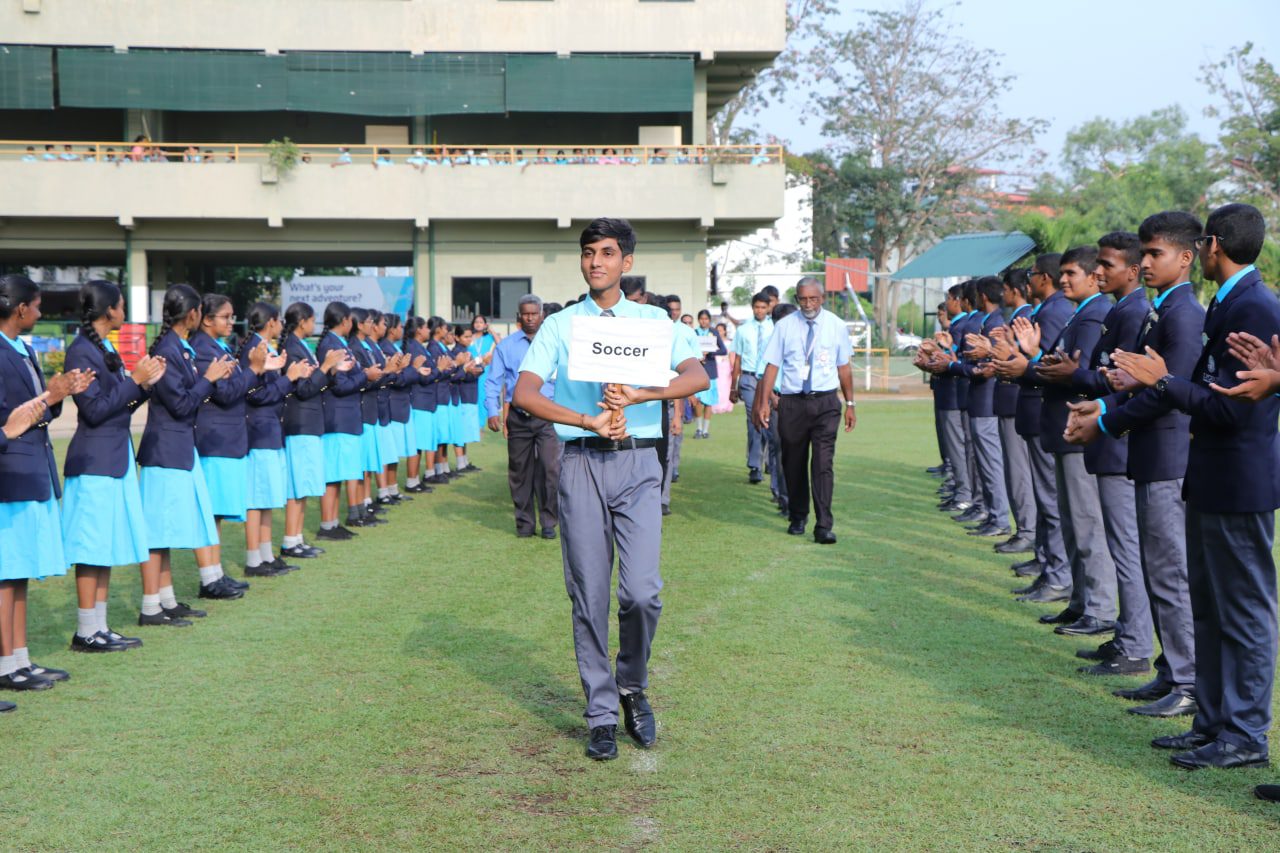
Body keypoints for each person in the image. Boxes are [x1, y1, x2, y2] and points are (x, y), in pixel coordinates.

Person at [512, 217, 706, 761]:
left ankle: (631, 685)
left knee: (642, 592)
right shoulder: (561, 324)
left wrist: (640, 396)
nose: (595, 261)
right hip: (579, 463)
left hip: (640, 463)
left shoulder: (651, 321)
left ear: (626, 262)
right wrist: (587, 418)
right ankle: (600, 712)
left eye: (606, 252)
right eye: (587, 252)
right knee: (589, 595)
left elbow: (697, 376)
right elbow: (525, 392)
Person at [1111, 203, 1280, 771]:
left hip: (1240, 480)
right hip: (1211, 475)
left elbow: (1231, 408)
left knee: (1246, 614)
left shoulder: (1255, 304)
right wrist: (1176, 384)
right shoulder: (1231, 301)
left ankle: (1245, 734)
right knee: (1207, 609)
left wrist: (1167, 383)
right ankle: (1211, 722)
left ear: (1210, 246)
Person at [1064, 212, 1206, 716]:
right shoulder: (1163, 309)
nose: (1145, 263)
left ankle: (1187, 682)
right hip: (1152, 454)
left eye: (1155, 254)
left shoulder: (1184, 313)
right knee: (1156, 570)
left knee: (1169, 573)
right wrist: (1107, 401)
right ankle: (1172, 673)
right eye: (1143, 254)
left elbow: (1171, 392)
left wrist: (1105, 420)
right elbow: (1140, 383)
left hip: (1169, 457)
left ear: (1186, 257)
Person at [1037, 232, 1150, 676]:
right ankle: (1126, 633)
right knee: (1111, 542)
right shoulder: (1119, 310)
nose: (1097, 272)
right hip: (1102, 437)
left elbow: (1122, 382)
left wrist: (1076, 374)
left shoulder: (1134, 310)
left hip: (1117, 442)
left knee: (1123, 547)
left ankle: (1133, 643)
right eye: (1096, 264)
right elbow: (1107, 376)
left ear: (1133, 269)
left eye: (1105, 265)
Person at [0, 274, 93, 692]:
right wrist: (49, 398)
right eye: (36, 306)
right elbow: (11, 420)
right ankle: (6, 665)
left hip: (32, 467)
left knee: (18, 572)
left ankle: (19, 659)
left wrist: (56, 397)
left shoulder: (22, 348)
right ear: (20, 310)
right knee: (5, 574)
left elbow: (35, 414)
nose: (40, 313)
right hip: (9, 473)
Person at [62, 280, 165, 647]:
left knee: (103, 545)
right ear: (110, 311)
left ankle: (99, 627)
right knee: (91, 547)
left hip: (113, 457)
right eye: (122, 305)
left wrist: (145, 385)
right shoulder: (81, 352)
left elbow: (117, 402)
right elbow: (94, 410)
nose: (125, 311)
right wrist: (133, 382)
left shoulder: (103, 346)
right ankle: (86, 630)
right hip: (94, 460)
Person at [1021, 247, 1116, 635]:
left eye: (1071, 274)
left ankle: (1101, 608)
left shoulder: (1095, 314)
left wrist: (1031, 361)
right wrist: (1033, 357)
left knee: (1087, 523)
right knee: (1074, 523)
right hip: (1065, 429)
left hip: (1079, 428)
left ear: (1094, 277)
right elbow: (1060, 365)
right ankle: (1081, 601)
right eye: (1061, 274)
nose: (1063, 281)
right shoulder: (1081, 311)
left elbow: (1081, 371)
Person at [136, 284, 238, 615]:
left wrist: (208, 379)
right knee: (157, 532)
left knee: (166, 530)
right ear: (193, 314)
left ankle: (166, 600)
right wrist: (209, 379)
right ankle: (151, 606)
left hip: (179, 448)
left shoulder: (180, 348)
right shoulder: (169, 349)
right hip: (164, 449)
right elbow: (180, 405)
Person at [753, 276, 856, 544]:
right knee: (793, 462)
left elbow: (844, 367)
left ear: (822, 298)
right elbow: (772, 366)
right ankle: (798, 515)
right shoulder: (786, 326)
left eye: (813, 298)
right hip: (792, 403)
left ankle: (824, 525)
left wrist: (851, 403)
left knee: (823, 464)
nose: (808, 303)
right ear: (797, 299)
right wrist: (763, 402)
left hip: (825, 403)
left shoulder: (836, 326)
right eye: (803, 299)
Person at [993, 254, 1072, 601]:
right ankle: (1047, 565)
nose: (1030, 281)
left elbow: (1050, 365)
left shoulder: (1056, 312)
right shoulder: (1047, 310)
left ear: (1045, 278)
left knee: (1051, 499)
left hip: (1044, 410)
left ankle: (1056, 574)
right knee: (1045, 497)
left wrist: (1019, 362)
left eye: (1035, 274)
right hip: (1034, 410)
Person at [192, 294, 279, 581]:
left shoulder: (219, 346)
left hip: (227, 438)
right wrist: (254, 370)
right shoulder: (204, 348)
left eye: (232, 316)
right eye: (225, 317)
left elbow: (235, 387)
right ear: (206, 319)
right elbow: (227, 393)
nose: (231, 322)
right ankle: (211, 577)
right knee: (212, 512)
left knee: (218, 512)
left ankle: (216, 574)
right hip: (215, 437)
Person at [239, 302, 311, 576]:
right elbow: (255, 395)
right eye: (278, 319)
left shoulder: (266, 347)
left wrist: (290, 378)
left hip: (271, 428)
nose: (281, 324)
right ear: (270, 322)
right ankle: (253, 559)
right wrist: (288, 379)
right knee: (257, 497)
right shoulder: (254, 350)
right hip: (259, 429)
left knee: (268, 495)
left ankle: (266, 555)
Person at [486, 294, 559, 539]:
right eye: (525, 314)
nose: (530, 318)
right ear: (519, 316)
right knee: (520, 472)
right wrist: (491, 411)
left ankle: (549, 521)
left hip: (548, 415)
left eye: (534, 313)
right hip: (518, 417)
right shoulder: (506, 346)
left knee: (550, 469)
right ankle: (525, 524)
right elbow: (494, 381)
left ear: (542, 315)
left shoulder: (553, 344)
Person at [280, 301, 347, 557]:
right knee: (298, 485)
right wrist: (325, 367)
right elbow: (304, 389)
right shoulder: (292, 347)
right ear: (302, 321)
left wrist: (329, 370)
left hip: (310, 422)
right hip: (300, 421)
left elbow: (314, 383)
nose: (314, 324)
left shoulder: (302, 346)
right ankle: (290, 540)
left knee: (305, 484)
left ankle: (296, 539)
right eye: (311, 320)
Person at [990, 270, 1036, 554]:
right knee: (1015, 471)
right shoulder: (1022, 315)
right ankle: (1028, 532)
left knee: (1021, 473)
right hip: (1013, 399)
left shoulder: (1028, 315)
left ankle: (1028, 531)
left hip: (1022, 400)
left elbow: (1031, 358)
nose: (1002, 295)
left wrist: (1002, 350)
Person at [316, 302, 369, 538]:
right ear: (345, 321)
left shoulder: (340, 343)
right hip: (337, 416)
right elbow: (340, 385)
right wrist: (365, 376)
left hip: (346, 416)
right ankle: (328, 524)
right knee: (332, 475)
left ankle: (333, 522)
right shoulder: (331, 345)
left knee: (339, 473)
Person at [730, 291, 773, 483]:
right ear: (752, 307)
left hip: (769, 380)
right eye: (757, 307)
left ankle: (769, 459)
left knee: (768, 420)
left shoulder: (775, 327)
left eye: (763, 307)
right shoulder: (743, 329)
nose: (760, 310)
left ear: (769, 307)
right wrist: (733, 385)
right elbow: (737, 359)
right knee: (754, 420)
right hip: (748, 379)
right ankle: (755, 465)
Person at [691, 309, 726, 439]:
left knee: (709, 402)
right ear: (698, 320)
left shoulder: (714, 332)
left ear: (709, 320)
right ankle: (699, 429)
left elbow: (723, 350)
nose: (703, 321)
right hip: (698, 370)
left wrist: (711, 352)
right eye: (701, 319)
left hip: (711, 370)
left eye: (706, 319)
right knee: (698, 401)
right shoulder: (694, 333)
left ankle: (706, 430)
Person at [469, 315, 499, 433]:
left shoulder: (489, 338)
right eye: (476, 322)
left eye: (481, 322)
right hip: (472, 369)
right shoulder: (469, 338)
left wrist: (491, 330)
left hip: (486, 371)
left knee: (483, 396)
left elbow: (500, 343)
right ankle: (474, 425)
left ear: (485, 325)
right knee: (473, 396)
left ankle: (481, 424)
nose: (478, 324)